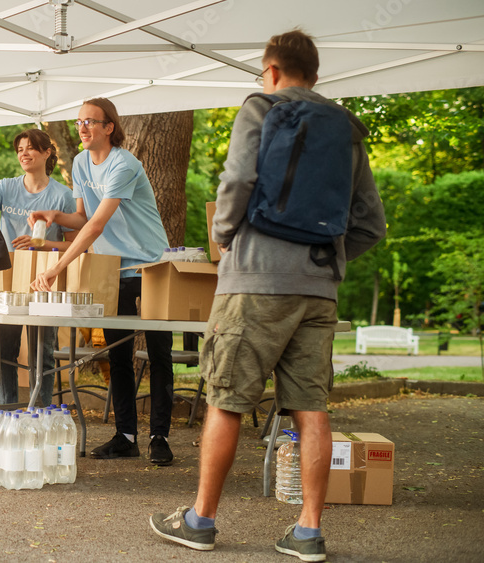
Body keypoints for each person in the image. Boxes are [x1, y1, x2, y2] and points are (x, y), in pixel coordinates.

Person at [150, 30, 386, 562]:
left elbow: (236, 182)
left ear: (273, 71)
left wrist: (225, 238)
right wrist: (331, 260)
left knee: (227, 399)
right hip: (318, 288)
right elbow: (371, 223)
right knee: (311, 406)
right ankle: (307, 532)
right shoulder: (347, 128)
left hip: (254, 281)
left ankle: (201, 520)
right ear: (316, 75)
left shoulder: (260, 107)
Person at [30, 97, 176, 466]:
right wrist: (56, 216)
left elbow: (97, 225)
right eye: (79, 122)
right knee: (118, 355)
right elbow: (82, 217)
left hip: (152, 266)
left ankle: (160, 436)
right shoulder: (80, 162)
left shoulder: (123, 164)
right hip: (114, 269)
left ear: (109, 127)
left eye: (90, 122)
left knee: (159, 354)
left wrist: (56, 266)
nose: (82, 128)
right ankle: (126, 435)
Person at [0, 128, 76, 408]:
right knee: (5, 350)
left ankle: (41, 414)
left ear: (47, 152)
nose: (24, 154)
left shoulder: (63, 196)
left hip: (44, 283)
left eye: (30, 148)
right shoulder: (5, 187)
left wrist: (41, 245)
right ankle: (8, 414)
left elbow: (76, 246)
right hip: (9, 281)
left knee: (43, 351)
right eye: (19, 149)